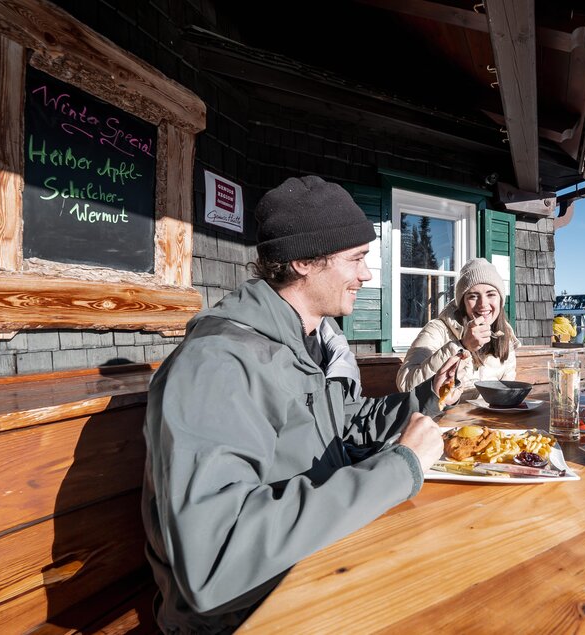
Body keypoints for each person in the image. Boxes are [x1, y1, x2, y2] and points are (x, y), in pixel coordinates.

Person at [141, 176, 461, 633]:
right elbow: (214, 559)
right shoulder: (218, 365)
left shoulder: (305, 343)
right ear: (304, 261)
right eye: (356, 259)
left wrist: (427, 396)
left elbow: (346, 428)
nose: (366, 275)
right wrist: (399, 470)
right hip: (252, 614)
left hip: (317, 568)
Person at [395, 257, 521, 395]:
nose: (483, 304)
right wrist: (462, 346)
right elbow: (406, 385)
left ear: (501, 300)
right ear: (462, 303)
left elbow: (506, 390)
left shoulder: (505, 336)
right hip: (443, 415)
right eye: (473, 296)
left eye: (491, 294)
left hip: (489, 416)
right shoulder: (437, 330)